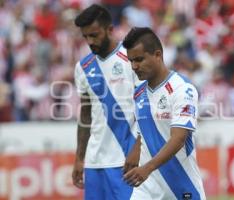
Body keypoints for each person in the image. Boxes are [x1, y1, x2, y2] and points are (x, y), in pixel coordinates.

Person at [123, 27, 206, 200]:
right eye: (131, 61)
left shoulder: (182, 89)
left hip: (181, 186)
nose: (134, 66)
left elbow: (179, 138)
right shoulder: (139, 92)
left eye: (139, 59)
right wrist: (136, 150)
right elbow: (146, 128)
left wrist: (147, 167)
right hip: (146, 188)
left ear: (158, 55)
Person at [72, 4, 141, 200]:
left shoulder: (131, 58)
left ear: (110, 29)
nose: (89, 41)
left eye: (94, 35)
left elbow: (146, 108)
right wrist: (79, 158)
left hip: (125, 159)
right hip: (94, 163)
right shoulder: (83, 67)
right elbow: (85, 115)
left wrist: (138, 149)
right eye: (85, 36)